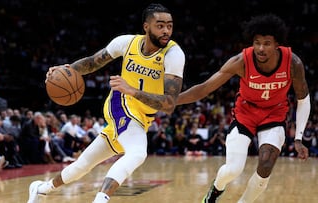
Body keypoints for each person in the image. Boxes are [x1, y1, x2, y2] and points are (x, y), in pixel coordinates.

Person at [27, 3, 185, 203]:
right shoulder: (126, 43)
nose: (166, 31)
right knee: (137, 153)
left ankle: (41, 188)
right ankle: (101, 200)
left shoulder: (174, 54)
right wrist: (65, 70)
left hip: (142, 116)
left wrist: (133, 90)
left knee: (82, 165)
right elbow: (93, 62)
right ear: (146, 27)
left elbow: (169, 104)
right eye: (160, 25)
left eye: (169, 26)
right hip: (121, 103)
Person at [177, 14, 310, 202]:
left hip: (274, 114)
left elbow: (303, 98)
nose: (261, 48)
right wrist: (172, 100)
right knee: (233, 170)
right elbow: (205, 88)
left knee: (266, 164)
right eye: (257, 43)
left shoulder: (293, 63)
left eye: (267, 43)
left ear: (277, 44)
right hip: (245, 114)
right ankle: (216, 189)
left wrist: (298, 138)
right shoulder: (241, 61)